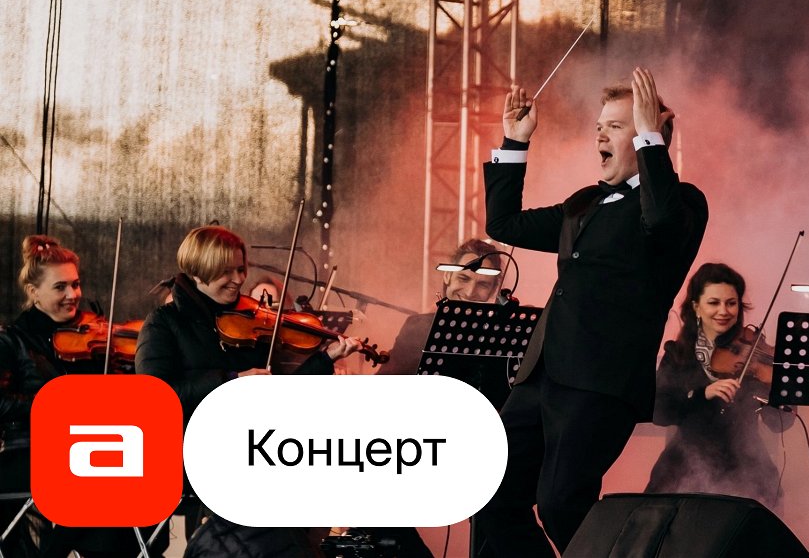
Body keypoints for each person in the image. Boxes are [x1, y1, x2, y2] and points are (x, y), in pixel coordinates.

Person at [473, 68, 708, 555]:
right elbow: (503, 224)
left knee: (561, 503)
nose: (600, 135)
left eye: (616, 126)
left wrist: (650, 137)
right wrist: (515, 142)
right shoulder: (584, 204)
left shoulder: (682, 203)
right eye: (599, 126)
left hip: (600, 381)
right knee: (490, 492)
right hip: (541, 374)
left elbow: (660, 219)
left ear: (649, 135)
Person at [136, 225, 361, 551]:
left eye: (241, 269)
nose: (239, 279)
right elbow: (156, 398)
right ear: (199, 271)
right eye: (226, 271)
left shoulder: (247, 319)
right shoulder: (163, 322)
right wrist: (231, 381)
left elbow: (278, 393)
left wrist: (325, 359)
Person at [0, 235, 167, 557]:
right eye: (60, 287)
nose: (72, 295)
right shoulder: (12, 340)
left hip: (95, 446)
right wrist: (55, 408)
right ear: (33, 292)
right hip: (33, 448)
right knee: (96, 473)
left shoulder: (98, 337)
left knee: (144, 468)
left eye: (75, 285)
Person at [644, 263, 792, 510]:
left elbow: (780, 424)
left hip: (747, 466)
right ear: (696, 307)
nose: (723, 311)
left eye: (731, 303)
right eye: (714, 302)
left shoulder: (753, 355)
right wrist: (701, 394)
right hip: (684, 463)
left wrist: (779, 387)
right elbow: (659, 412)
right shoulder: (678, 354)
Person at [375, 238, 501, 376]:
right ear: (447, 276)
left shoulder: (497, 336)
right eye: (463, 278)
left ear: (493, 290)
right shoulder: (417, 328)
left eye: (483, 284)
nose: (470, 292)